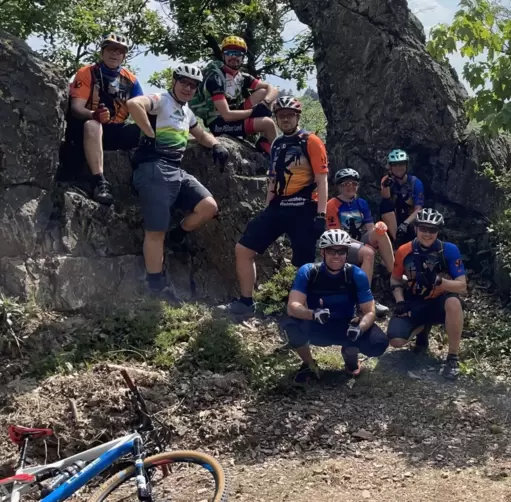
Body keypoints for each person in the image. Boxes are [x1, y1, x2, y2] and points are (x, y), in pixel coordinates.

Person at [126, 64, 230, 298]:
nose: (188, 88)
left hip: (176, 169)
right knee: (155, 231)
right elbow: (134, 104)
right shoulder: (161, 99)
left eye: (193, 85)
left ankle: (177, 236)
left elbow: (200, 134)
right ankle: (155, 285)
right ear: (175, 81)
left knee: (208, 207)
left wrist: (216, 145)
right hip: (153, 166)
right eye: (184, 82)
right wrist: (150, 135)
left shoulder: (187, 112)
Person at [219, 96, 328, 316]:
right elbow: (273, 177)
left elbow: (322, 178)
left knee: (303, 264)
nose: (285, 119)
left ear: (297, 117)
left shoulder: (311, 141)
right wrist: (268, 207)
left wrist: (321, 214)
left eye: (289, 115)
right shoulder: (277, 143)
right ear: (276, 119)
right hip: (278, 206)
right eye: (281, 116)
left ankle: (305, 309)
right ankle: (246, 302)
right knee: (243, 249)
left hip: (304, 208)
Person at [279, 229, 388, 383]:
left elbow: (369, 311)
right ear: (323, 252)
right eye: (331, 251)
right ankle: (309, 365)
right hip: (318, 324)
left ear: (347, 252)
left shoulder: (356, 275)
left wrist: (360, 328)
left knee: (378, 343)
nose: (337, 256)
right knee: (290, 325)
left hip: (347, 325)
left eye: (341, 251)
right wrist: (313, 314)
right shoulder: (309, 271)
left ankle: (350, 356)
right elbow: (293, 306)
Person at [387, 208, 467, 380]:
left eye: (433, 230)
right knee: (396, 341)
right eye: (423, 228)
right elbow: (394, 279)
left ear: (438, 231)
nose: (428, 234)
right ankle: (423, 329)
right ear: (415, 228)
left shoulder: (449, 251)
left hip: (440, 301)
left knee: (454, 302)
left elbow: (462, 286)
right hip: (415, 300)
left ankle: (453, 358)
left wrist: (439, 281)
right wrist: (400, 301)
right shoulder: (404, 250)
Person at [65, 33, 144, 205]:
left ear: (124, 56)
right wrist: (94, 114)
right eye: (110, 49)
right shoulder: (87, 72)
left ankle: (146, 177)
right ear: (102, 52)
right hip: (88, 126)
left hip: (116, 129)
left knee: (149, 129)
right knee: (93, 125)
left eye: (120, 50)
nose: (115, 53)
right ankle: (100, 182)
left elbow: (141, 107)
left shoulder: (131, 81)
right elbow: (76, 107)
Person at [190, 35, 279, 155]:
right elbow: (226, 115)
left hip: (235, 115)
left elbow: (272, 88)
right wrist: (254, 112)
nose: (234, 57)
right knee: (267, 123)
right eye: (230, 52)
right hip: (219, 123)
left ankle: (264, 142)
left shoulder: (241, 77)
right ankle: (278, 157)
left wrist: (265, 103)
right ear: (223, 56)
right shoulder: (216, 78)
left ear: (243, 58)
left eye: (238, 54)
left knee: (263, 93)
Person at [326, 168, 394, 317]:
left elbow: (370, 229)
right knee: (368, 253)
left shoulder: (361, 203)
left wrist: (378, 229)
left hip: (358, 241)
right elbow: (337, 236)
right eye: (346, 184)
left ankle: (393, 272)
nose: (350, 187)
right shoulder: (332, 204)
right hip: (341, 244)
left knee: (380, 231)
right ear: (339, 186)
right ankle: (365, 300)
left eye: (354, 184)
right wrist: (364, 246)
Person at [379, 149, 425, 246]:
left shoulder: (415, 182)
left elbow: (418, 209)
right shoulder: (386, 180)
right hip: (394, 218)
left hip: (410, 218)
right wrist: (386, 186)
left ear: (406, 166)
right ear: (390, 167)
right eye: (395, 165)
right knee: (384, 204)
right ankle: (396, 240)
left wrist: (405, 224)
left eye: (401, 164)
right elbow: (385, 201)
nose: (398, 167)